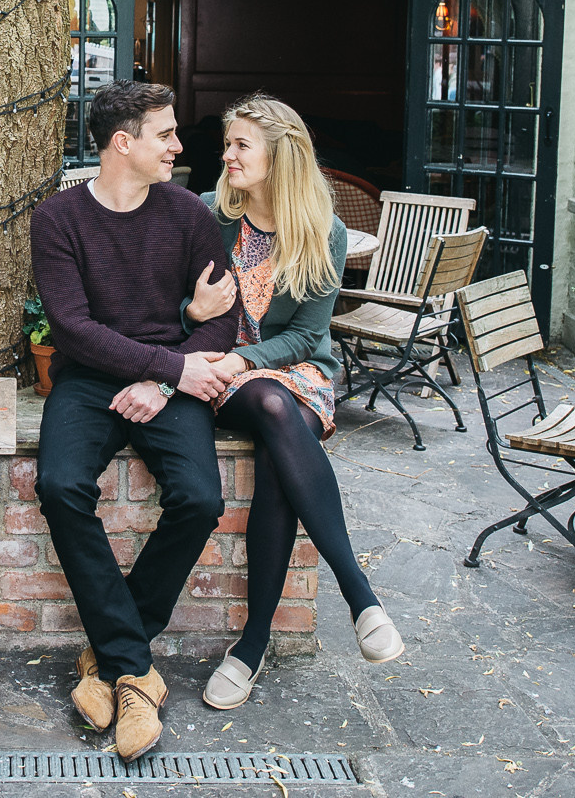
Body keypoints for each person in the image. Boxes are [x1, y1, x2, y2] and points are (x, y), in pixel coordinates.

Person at [30, 81, 240, 762]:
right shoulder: (58, 219)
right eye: (165, 134)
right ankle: (135, 669)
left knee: (201, 497)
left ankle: (113, 654)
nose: (179, 146)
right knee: (61, 485)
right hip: (90, 382)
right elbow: (75, 330)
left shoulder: (188, 214)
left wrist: (162, 376)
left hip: (168, 378)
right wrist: (168, 368)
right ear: (123, 143)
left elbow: (227, 318)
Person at [184, 95, 404, 711]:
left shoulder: (321, 230)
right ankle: (359, 594)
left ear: (281, 155)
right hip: (226, 378)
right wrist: (203, 327)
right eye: (227, 144)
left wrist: (247, 359)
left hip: (296, 373)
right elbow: (179, 310)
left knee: (282, 454)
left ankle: (251, 647)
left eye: (240, 146)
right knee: (274, 410)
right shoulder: (207, 217)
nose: (226, 155)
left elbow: (310, 335)